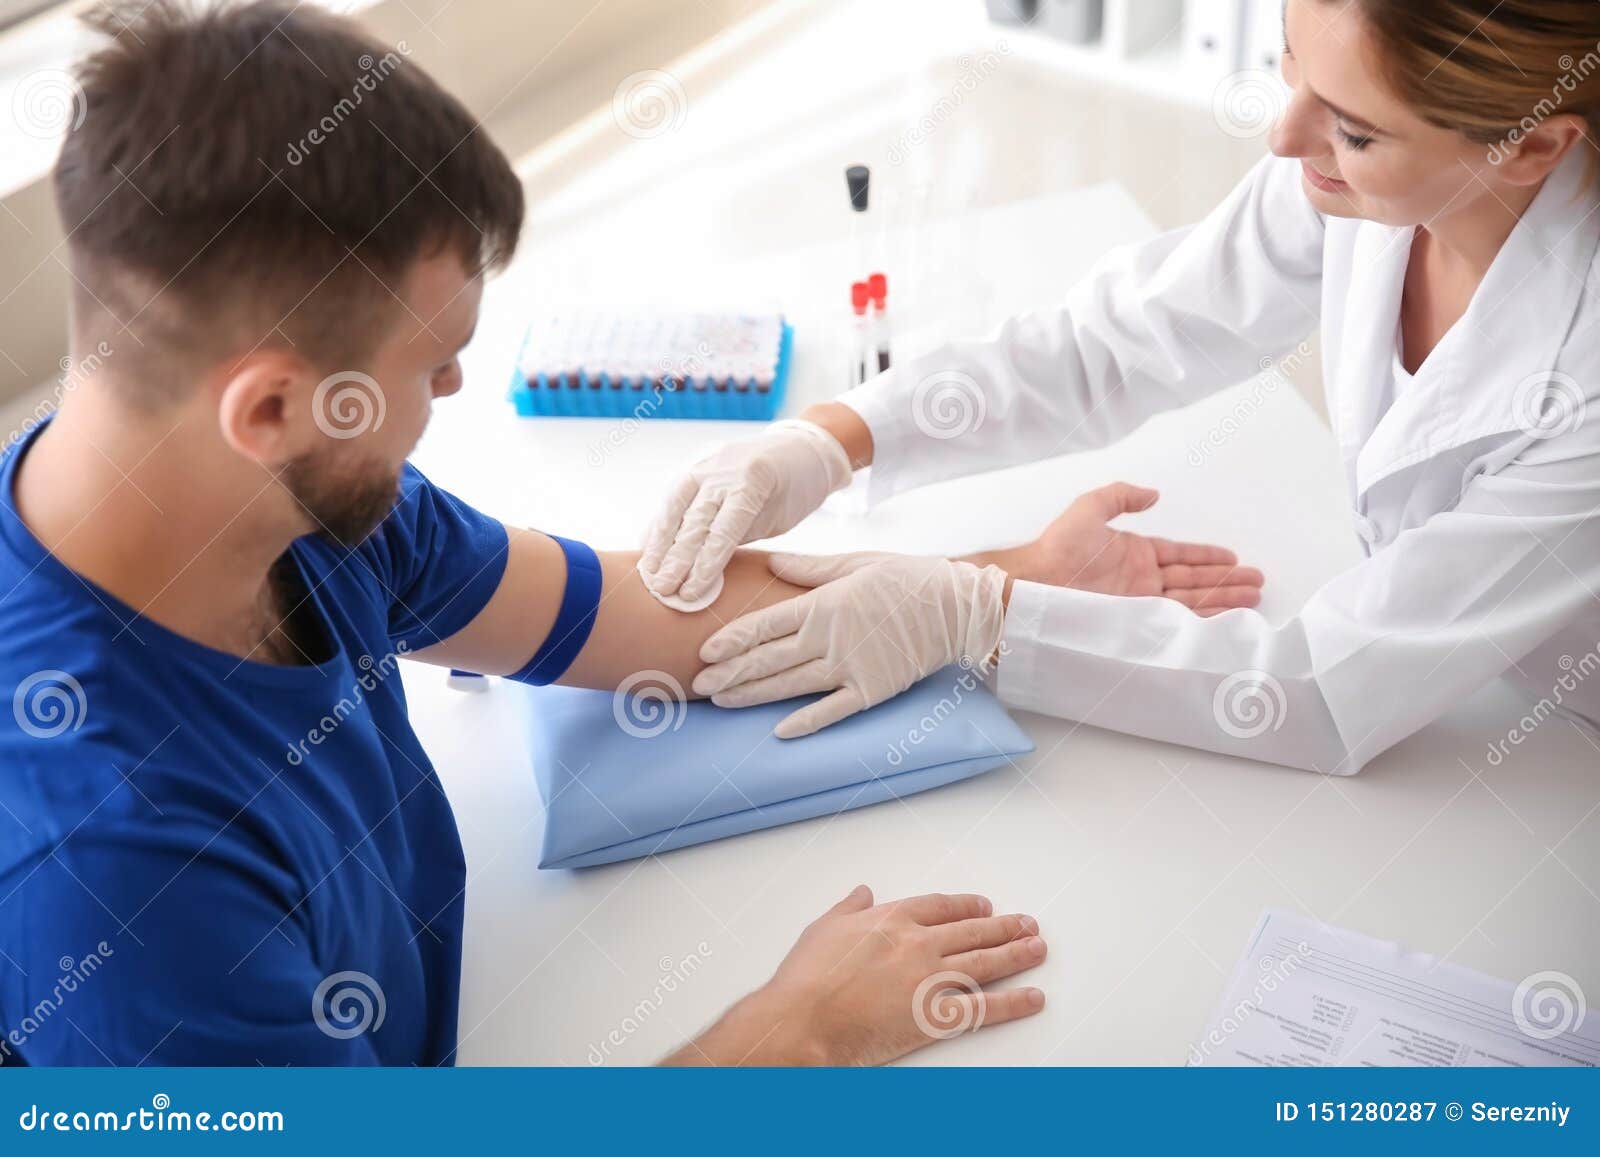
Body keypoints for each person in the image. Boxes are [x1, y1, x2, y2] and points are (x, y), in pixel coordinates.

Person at [0, 1, 1262, 1066]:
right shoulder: (113, 879)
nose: (449, 403)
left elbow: (625, 614)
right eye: (434, 368)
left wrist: (998, 587)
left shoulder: (275, 502)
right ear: (271, 405)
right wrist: (794, 1031)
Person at [644, 0, 1600, 771]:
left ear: (1529, 146)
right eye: (1289, 64)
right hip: (1465, 679)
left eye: (1352, 130)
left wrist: (976, 614)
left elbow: (1316, 690)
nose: (1284, 136)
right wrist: (836, 435)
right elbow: (1116, 343)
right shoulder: (1356, 172)